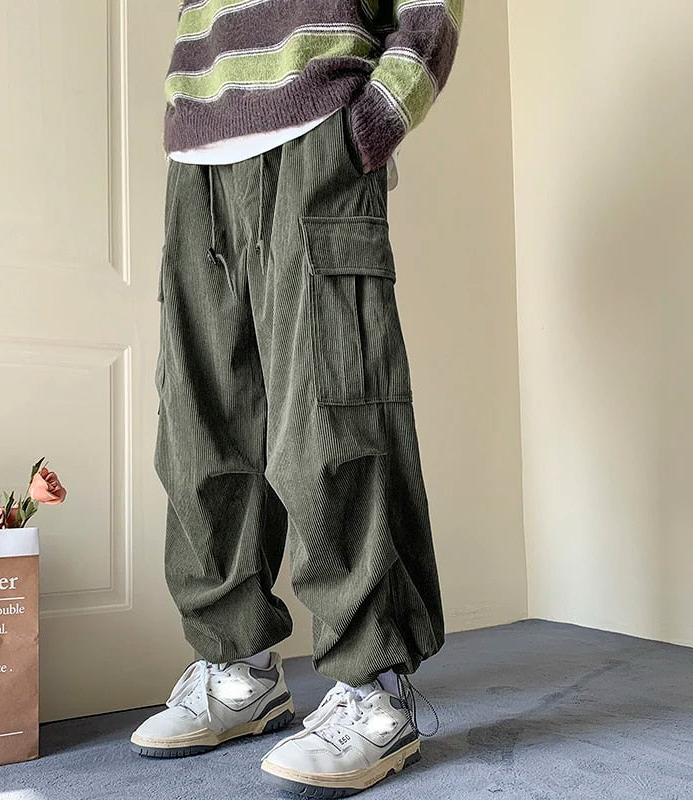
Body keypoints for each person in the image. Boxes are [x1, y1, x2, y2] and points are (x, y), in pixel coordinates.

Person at [131, 1, 465, 794]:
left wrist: (375, 118)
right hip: (200, 154)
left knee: (331, 413)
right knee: (200, 429)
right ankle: (238, 670)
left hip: (320, 130)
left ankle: (376, 689)